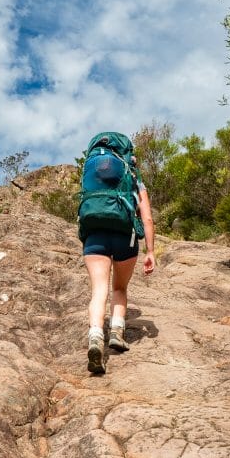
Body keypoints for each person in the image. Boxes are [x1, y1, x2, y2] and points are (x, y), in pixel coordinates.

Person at [82, 154, 156, 374]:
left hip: (95, 236)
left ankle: (95, 337)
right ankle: (116, 332)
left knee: (99, 291)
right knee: (119, 288)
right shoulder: (133, 177)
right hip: (125, 236)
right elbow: (147, 218)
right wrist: (150, 251)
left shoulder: (91, 175)